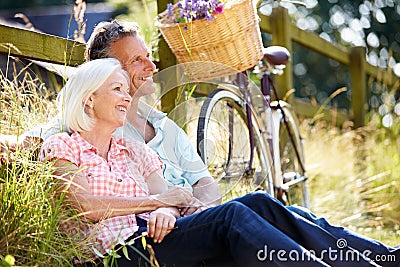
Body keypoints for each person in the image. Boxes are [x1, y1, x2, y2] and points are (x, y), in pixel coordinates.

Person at [39, 58, 397, 267]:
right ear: (88, 101)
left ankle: (382, 259)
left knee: (258, 202)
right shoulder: (62, 147)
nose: (126, 96)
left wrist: (168, 211)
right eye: (117, 89)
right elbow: (84, 206)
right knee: (231, 217)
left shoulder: (131, 151)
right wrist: (158, 204)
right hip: (112, 259)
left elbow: (175, 200)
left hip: (152, 239)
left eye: (125, 88)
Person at [1, 20, 221, 214]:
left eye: (149, 56)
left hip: (191, 221)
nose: (152, 67)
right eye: (137, 60)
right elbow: (28, 142)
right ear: (106, 68)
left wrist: (201, 210)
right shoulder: (92, 122)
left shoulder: (163, 124)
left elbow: (205, 182)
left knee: (252, 205)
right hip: (149, 229)